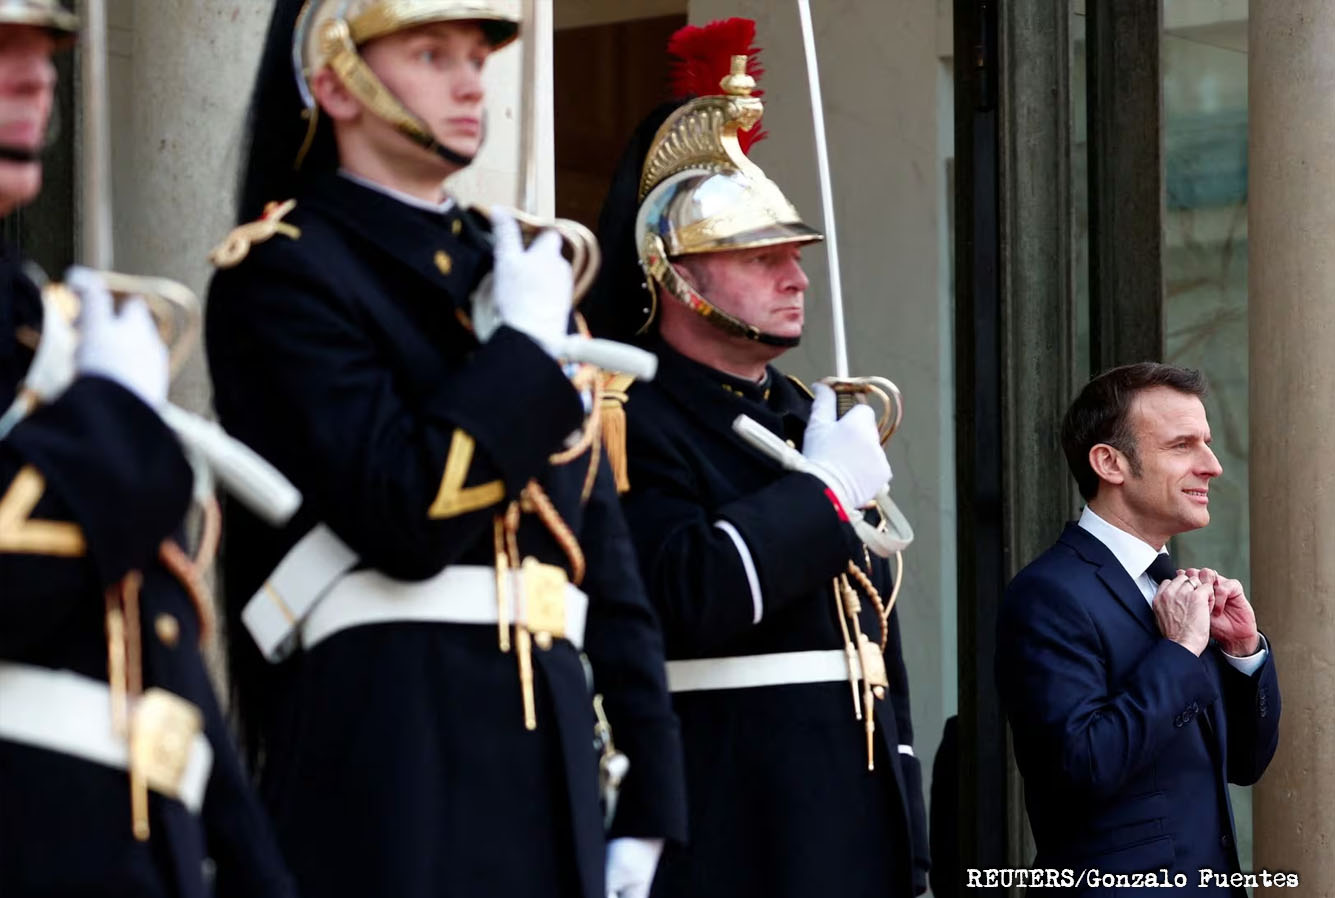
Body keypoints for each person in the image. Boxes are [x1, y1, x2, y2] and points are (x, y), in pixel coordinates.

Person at [204, 2, 686, 897]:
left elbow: (603, 565)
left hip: (550, 765)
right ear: (330, 83)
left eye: (476, 55)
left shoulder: (515, 274)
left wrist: (652, 797)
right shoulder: (286, 271)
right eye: (432, 54)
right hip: (391, 747)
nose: (472, 82)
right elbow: (404, 510)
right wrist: (521, 359)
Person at [585, 19, 929, 898]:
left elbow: (871, 650)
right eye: (760, 256)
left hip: (853, 823)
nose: (796, 276)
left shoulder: (809, 412)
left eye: (795, 255)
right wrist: (823, 495)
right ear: (677, 275)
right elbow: (685, 595)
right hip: (735, 817)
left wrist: (910, 838)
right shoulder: (632, 419)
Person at [0, 3, 294, 896]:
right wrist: (115, 416)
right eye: (2, 51)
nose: (36, 77)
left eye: (44, 51)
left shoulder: (29, 318)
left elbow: (151, 636)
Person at [997, 362, 1280, 892]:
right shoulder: (1049, 594)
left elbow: (1244, 763)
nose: (1213, 465)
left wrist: (1244, 653)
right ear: (1109, 462)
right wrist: (1178, 652)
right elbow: (1082, 769)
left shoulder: (1180, 592)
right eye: (1182, 445)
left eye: (1208, 443)